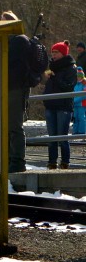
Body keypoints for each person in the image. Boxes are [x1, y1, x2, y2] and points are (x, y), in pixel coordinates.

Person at [2, 11, 31, 173]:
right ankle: (9, 159)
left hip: (15, 88)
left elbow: (9, 60)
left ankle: (17, 161)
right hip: (7, 87)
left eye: (3, 21)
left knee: (14, 125)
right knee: (6, 126)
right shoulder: (14, 41)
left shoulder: (19, 41)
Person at [42, 40, 76, 169]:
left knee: (62, 137)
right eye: (52, 52)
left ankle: (65, 162)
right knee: (52, 137)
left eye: (56, 52)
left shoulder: (71, 68)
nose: (53, 55)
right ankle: (52, 162)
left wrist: (55, 78)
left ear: (63, 53)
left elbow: (69, 87)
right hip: (51, 105)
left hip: (63, 106)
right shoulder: (53, 67)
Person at [71, 62, 86, 139]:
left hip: (81, 104)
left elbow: (83, 95)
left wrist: (75, 100)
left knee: (81, 117)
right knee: (75, 117)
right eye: (77, 77)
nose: (78, 78)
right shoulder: (75, 84)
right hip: (75, 104)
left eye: (79, 77)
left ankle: (82, 132)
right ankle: (75, 131)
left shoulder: (84, 84)